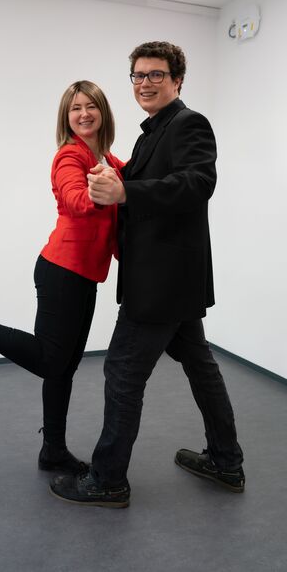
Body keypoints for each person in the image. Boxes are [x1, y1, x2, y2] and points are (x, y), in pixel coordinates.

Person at [50, 41, 244, 508]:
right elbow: (132, 184)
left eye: (156, 74)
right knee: (200, 366)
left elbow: (198, 182)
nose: (145, 83)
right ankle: (225, 461)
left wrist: (126, 193)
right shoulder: (151, 133)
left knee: (122, 371)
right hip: (171, 280)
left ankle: (108, 480)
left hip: (161, 282)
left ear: (177, 80)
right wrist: (113, 184)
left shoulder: (188, 123)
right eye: (138, 76)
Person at [0, 80, 124, 474]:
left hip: (85, 274)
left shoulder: (110, 161)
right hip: (62, 270)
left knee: (64, 367)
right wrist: (98, 193)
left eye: (91, 106)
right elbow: (74, 198)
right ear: (66, 117)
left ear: (103, 112)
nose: (84, 113)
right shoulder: (70, 156)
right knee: (50, 361)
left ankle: (53, 451)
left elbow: (132, 194)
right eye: (75, 108)